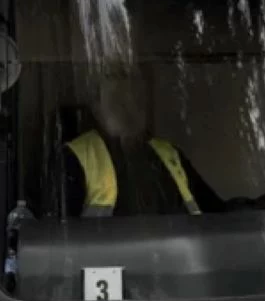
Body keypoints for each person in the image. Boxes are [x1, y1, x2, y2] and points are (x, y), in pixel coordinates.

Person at [61, 64, 226, 217]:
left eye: (136, 99)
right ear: (96, 105)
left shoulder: (169, 154)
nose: (129, 107)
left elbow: (216, 213)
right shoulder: (75, 157)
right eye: (119, 101)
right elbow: (59, 234)